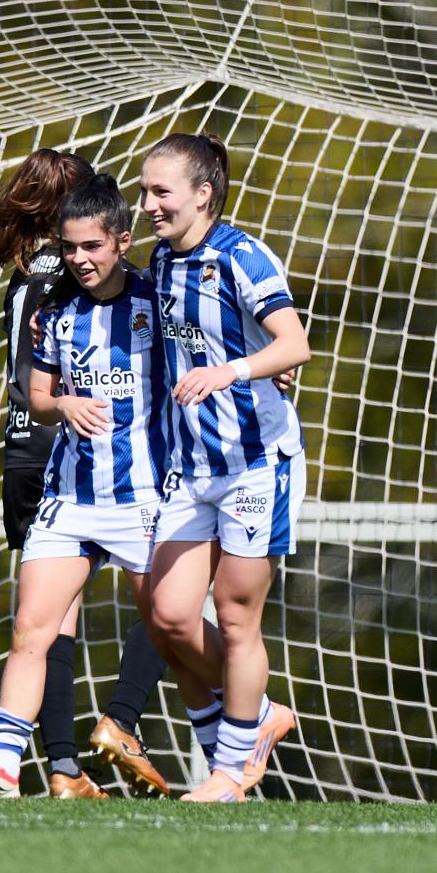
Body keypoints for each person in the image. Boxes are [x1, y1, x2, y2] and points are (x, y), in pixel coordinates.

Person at [0, 176, 168, 798]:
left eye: (91, 246)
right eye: (69, 248)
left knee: (173, 624)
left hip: (145, 498)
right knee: (30, 632)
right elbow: (36, 397)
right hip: (68, 499)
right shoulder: (57, 311)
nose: (79, 259)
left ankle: (220, 746)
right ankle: (1, 770)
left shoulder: (157, 301)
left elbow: (210, 348)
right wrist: (63, 404)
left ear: (122, 241)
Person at [140, 133, 310, 802]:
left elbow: (293, 344)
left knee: (237, 620)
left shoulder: (241, 256)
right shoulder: (161, 258)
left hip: (254, 466)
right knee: (167, 615)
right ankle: (259, 715)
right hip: (192, 467)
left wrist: (231, 372)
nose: (148, 205)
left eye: (161, 192)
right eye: (145, 191)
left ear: (202, 194)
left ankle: (229, 773)